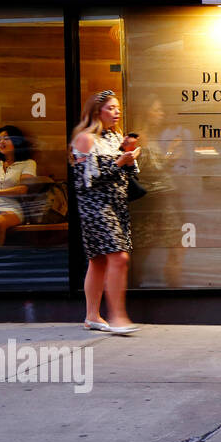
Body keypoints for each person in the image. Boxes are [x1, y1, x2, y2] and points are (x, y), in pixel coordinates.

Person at [70, 91, 140, 334]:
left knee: (98, 261)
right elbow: (85, 182)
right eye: (111, 108)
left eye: (118, 107)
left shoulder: (115, 137)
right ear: (96, 111)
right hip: (95, 206)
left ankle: (92, 316)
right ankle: (118, 316)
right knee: (119, 257)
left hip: (117, 205)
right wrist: (119, 162)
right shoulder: (85, 139)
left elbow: (127, 175)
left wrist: (129, 159)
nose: (117, 112)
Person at [0, 125, 38, 247]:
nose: (1, 142)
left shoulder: (28, 163)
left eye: (6, 138)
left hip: (12, 207)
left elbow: (22, 190)